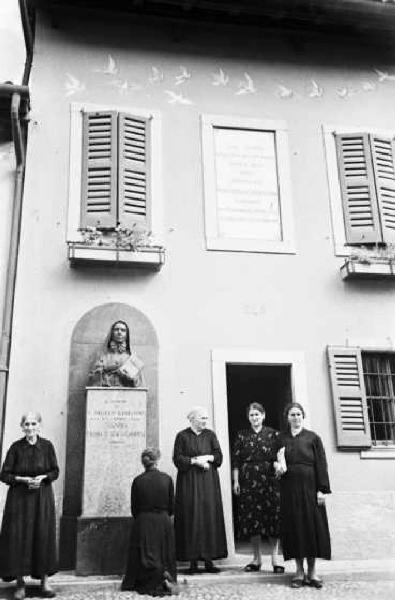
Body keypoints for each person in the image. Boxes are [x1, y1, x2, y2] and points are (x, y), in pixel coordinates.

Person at [0, 412, 59, 600]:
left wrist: (44, 477)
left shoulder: (47, 446)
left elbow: (55, 470)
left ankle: (45, 581)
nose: (30, 427)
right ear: (22, 426)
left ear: (39, 425)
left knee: (42, 534)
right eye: (26, 424)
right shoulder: (16, 448)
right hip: (19, 500)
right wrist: (22, 479)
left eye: (34, 423)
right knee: (18, 537)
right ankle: (20, 583)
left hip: (42, 499)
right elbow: (4, 474)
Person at [274, 402, 331, 589]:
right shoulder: (280, 438)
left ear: (303, 416)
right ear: (287, 417)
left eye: (298, 414)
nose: (296, 417)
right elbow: (273, 463)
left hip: (310, 489)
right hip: (289, 490)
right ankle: (299, 572)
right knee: (295, 528)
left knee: (311, 528)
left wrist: (322, 489)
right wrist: (278, 468)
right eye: (292, 414)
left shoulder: (313, 438)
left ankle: (312, 572)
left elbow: (321, 464)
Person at [173, 407, 227, 574]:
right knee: (191, 516)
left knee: (208, 515)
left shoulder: (210, 435)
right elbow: (177, 458)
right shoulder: (182, 436)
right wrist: (195, 461)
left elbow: (219, 457)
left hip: (208, 483)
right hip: (189, 482)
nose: (205, 421)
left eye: (206, 418)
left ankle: (209, 560)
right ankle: (193, 562)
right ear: (193, 419)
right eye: (202, 418)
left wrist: (208, 457)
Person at [232, 402, 283, 573]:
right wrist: (236, 481)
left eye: (257, 414)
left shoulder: (274, 434)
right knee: (252, 518)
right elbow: (236, 462)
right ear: (248, 417)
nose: (255, 418)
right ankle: (256, 558)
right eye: (252, 415)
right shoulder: (241, 435)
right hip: (248, 480)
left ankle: (276, 560)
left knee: (272, 517)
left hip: (269, 479)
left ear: (263, 416)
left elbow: (281, 455)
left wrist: (278, 465)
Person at [121, 448, 177, 596]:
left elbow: (134, 508)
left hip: (143, 522)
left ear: (143, 463)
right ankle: (164, 575)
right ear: (157, 461)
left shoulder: (138, 481)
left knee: (145, 555)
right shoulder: (167, 479)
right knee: (163, 553)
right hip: (163, 521)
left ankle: (152, 578)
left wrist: (143, 518)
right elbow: (172, 507)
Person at [89, 320, 145, 388]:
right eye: (116, 329)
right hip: (105, 393)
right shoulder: (103, 356)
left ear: (127, 334)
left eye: (123, 330)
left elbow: (139, 384)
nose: (119, 332)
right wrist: (106, 368)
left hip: (127, 394)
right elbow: (92, 378)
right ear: (112, 333)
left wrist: (130, 377)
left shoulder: (132, 357)